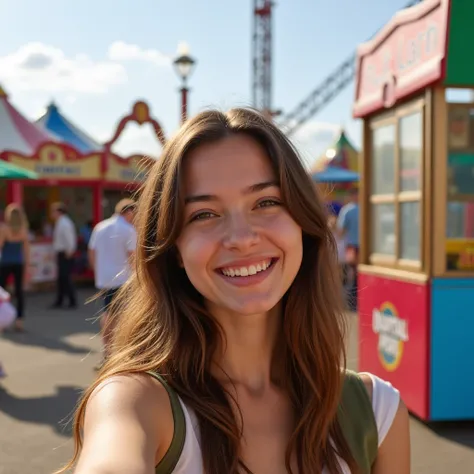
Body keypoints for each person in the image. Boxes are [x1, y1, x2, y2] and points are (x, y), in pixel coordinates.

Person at [59, 109, 409, 474]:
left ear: (303, 224)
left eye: (266, 202)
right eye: (204, 214)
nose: (241, 239)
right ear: (174, 248)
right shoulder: (135, 401)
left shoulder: (376, 411)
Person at [88, 199, 137, 364]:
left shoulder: (100, 226)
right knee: (119, 316)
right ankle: (114, 351)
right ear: (128, 212)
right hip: (123, 279)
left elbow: (92, 252)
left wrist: (97, 270)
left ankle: (107, 350)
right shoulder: (128, 230)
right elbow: (133, 257)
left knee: (107, 312)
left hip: (104, 278)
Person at [0, 204, 30, 332]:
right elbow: (26, 250)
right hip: (18, 263)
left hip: (5, 263)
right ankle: (19, 321)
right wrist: (27, 266)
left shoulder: (4, 228)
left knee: (1, 292)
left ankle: (2, 321)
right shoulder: (24, 229)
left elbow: (0, 246)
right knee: (19, 292)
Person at [50, 202, 77, 309]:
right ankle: (60, 300)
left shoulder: (64, 223)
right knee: (62, 278)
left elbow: (69, 238)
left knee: (65, 277)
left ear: (58, 212)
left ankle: (71, 300)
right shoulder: (61, 222)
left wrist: (69, 251)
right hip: (62, 253)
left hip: (65, 253)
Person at [337, 188, 359, 311]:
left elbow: (340, 232)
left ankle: (352, 302)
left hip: (351, 246)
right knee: (358, 274)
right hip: (365, 247)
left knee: (352, 274)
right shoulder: (367, 208)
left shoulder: (347, 210)